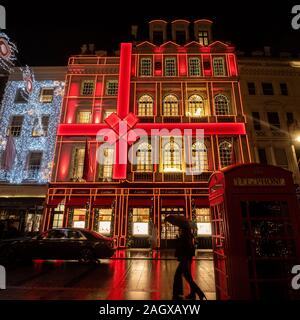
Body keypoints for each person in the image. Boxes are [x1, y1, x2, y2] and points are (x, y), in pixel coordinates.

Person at [172, 227, 207, 300]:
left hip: (185, 259)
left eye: (181, 229)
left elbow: (184, 247)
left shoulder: (185, 236)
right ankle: (193, 294)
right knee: (187, 277)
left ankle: (178, 294)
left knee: (179, 275)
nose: (180, 230)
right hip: (187, 259)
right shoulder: (188, 235)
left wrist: (179, 239)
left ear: (184, 229)